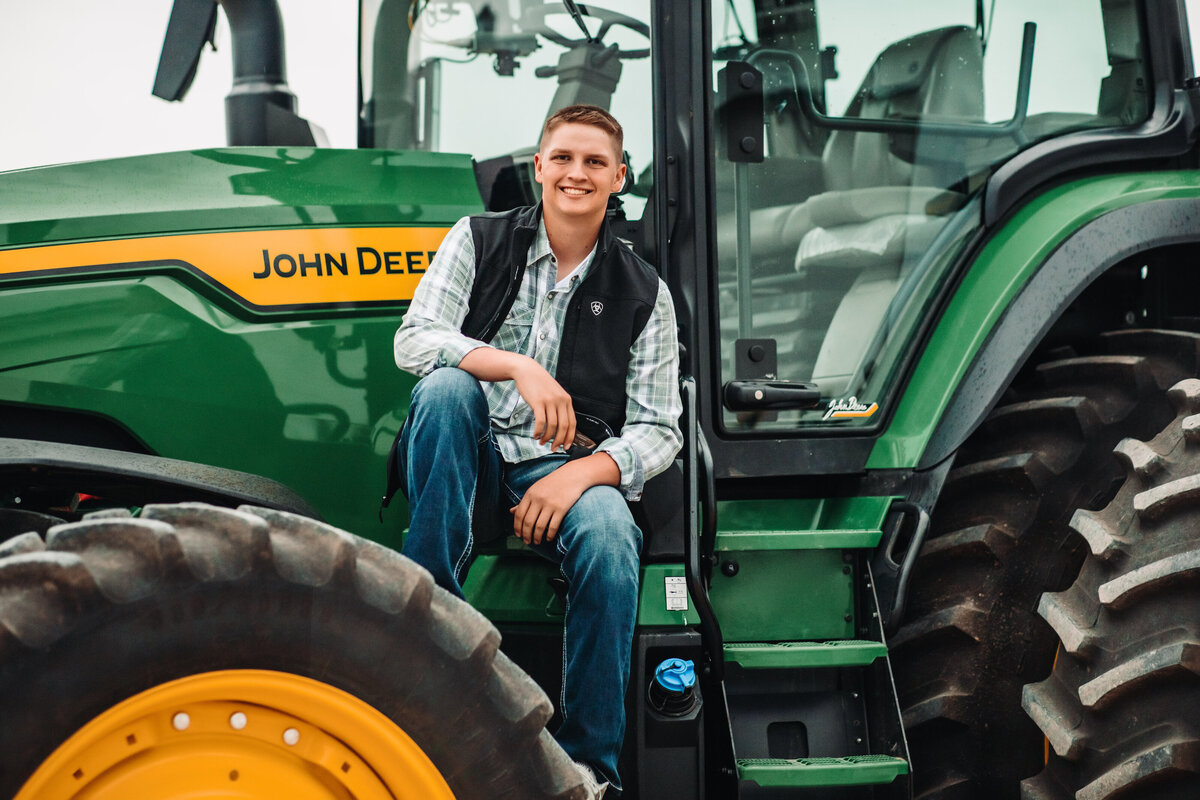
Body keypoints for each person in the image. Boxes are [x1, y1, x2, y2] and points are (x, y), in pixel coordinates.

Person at [390, 104, 682, 797]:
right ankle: (429, 645)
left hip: (565, 467)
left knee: (612, 534)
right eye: (563, 158)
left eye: (593, 162)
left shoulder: (646, 293)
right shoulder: (477, 239)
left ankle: (588, 769)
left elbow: (658, 428)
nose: (576, 173)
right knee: (444, 393)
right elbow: (414, 339)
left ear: (618, 179)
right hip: (474, 454)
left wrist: (581, 474)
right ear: (539, 168)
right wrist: (515, 366)